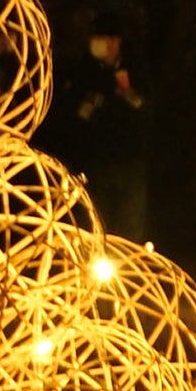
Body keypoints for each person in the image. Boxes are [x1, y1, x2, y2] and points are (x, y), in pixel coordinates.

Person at [66, 25, 153, 241]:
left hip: (130, 160)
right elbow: (78, 115)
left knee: (129, 228)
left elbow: (146, 108)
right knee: (96, 222)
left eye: (110, 39)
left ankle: (123, 270)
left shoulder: (136, 68)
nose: (106, 45)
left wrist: (127, 94)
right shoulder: (86, 72)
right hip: (98, 161)